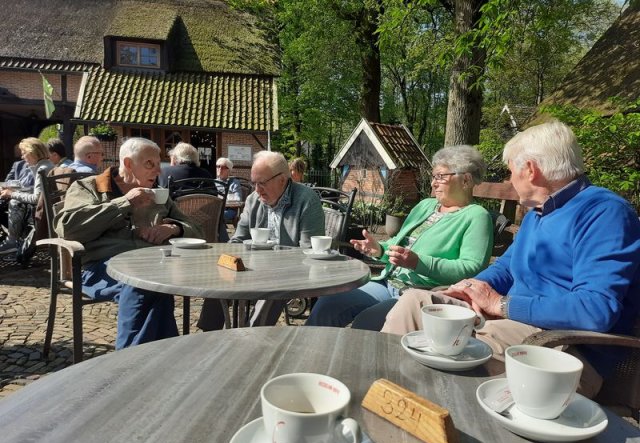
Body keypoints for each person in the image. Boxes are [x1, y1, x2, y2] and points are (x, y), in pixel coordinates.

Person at [382, 122, 640, 399]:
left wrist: (501, 304)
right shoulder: (538, 214)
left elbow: (595, 310)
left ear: (530, 169)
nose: (509, 180)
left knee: (450, 351)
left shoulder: (603, 213)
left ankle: (424, 411)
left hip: (562, 348)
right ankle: (384, 391)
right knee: (414, 303)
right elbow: (506, 268)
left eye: (510, 171)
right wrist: (470, 287)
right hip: (512, 326)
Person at [305, 145, 494, 330]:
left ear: (466, 181)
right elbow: (399, 248)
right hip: (387, 283)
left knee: (367, 322)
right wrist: (379, 249)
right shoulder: (425, 206)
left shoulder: (476, 216)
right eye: (433, 176)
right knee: (329, 303)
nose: (433, 183)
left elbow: (471, 268)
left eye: (440, 177)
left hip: (424, 294)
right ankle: (306, 356)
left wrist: (418, 263)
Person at [54, 138, 203, 349]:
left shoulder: (157, 195)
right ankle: (143, 359)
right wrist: (125, 203)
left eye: (159, 164)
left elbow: (196, 229)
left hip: (150, 266)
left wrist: (174, 228)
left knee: (154, 286)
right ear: (128, 163)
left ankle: (146, 360)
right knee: (145, 285)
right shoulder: (90, 187)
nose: (159, 171)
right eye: (150, 164)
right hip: (99, 268)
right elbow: (69, 228)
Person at [198, 150, 325, 330]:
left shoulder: (306, 200)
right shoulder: (253, 200)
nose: (257, 190)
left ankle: (251, 336)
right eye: (254, 183)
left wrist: (275, 265)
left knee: (275, 285)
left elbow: (309, 251)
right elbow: (238, 239)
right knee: (221, 275)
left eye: (262, 183)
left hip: (289, 271)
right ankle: (208, 334)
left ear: (282, 179)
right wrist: (228, 260)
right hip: (253, 266)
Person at [0, 138, 53, 254]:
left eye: (24, 153)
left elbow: (35, 199)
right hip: (47, 208)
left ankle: (12, 242)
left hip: (43, 213)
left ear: (32, 152)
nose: (22, 157)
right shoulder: (46, 165)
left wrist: (12, 194)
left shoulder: (42, 169)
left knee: (14, 202)